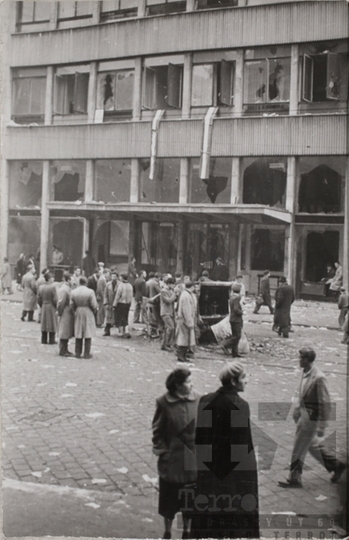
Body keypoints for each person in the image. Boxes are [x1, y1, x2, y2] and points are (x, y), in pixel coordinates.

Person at [191, 362, 259, 539]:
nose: (247, 381)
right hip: (231, 476)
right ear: (234, 382)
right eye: (244, 377)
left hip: (209, 471)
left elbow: (200, 438)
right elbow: (242, 447)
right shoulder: (240, 405)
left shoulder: (206, 399)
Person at [278, 347, 346, 488]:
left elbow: (325, 403)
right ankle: (336, 465)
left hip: (311, 419)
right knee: (312, 445)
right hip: (303, 416)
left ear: (307, 360)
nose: (298, 360)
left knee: (299, 447)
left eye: (300, 358)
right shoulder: (305, 372)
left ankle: (295, 478)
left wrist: (322, 426)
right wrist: (297, 411)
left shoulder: (319, 377)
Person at [152, 368, 200, 540]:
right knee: (169, 501)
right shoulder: (163, 402)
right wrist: (163, 452)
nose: (192, 384)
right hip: (172, 462)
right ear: (178, 385)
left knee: (189, 500)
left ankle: (186, 531)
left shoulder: (199, 400)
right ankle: (167, 531)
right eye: (188, 382)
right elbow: (157, 431)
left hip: (193, 461)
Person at [70, 276, 98, 359]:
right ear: (86, 283)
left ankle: (77, 353)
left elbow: (71, 304)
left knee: (78, 332)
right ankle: (86, 353)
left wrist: (75, 310)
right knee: (87, 332)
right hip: (87, 311)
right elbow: (94, 304)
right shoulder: (90, 292)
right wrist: (94, 310)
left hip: (78, 311)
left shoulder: (74, 291)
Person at [175, 281, 197, 362]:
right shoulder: (186, 296)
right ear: (192, 287)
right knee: (183, 338)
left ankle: (183, 356)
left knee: (186, 338)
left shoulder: (186, 294)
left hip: (184, 320)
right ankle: (181, 356)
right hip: (184, 320)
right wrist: (189, 322)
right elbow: (186, 310)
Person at [37, 272, 58, 345]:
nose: (53, 279)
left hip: (44, 305)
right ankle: (52, 340)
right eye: (52, 277)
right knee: (52, 323)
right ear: (49, 279)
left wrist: (42, 305)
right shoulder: (52, 287)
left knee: (44, 323)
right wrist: (56, 306)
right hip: (51, 306)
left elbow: (38, 298)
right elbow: (55, 299)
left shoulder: (41, 287)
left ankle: (44, 339)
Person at [57, 272, 74, 356]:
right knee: (64, 330)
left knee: (66, 331)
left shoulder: (68, 288)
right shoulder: (64, 289)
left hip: (68, 311)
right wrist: (60, 312)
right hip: (65, 311)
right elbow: (61, 302)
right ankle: (62, 350)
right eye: (72, 279)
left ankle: (65, 348)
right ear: (68, 279)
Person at [113, 272, 133, 338]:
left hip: (121, 303)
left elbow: (117, 296)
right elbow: (131, 296)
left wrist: (114, 305)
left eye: (120, 277)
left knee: (120, 317)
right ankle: (127, 331)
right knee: (125, 317)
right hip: (128, 304)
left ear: (122, 278)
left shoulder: (120, 286)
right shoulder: (130, 285)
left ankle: (121, 332)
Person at [160, 276, 177, 352]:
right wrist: (175, 294)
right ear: (169, 284)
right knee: (171, 328)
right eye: (173, 284)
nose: (174, 286)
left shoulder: (171, 290)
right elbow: (168, 301)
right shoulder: (163, 291)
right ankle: (167, 344)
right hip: (165, 312)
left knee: (168, 328)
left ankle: (164, 345)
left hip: (171, 312)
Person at [229, 283, 243, 358]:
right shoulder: (236, 298)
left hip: (232, 319)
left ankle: (234, 352)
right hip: (236, 319)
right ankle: (226, 344)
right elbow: (236, 309)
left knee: (235, 335)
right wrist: (241, 312)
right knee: (237, 336)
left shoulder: (232, 297)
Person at [103, 269, 118, 337]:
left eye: (114, 276)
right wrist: (105, 303)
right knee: (108, 318)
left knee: (117, 318)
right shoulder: (108, 284)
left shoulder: (120, 284)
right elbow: (105, 294)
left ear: (117, 277)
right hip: (109, 303)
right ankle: (107, 331)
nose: (113, 278)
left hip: (117, 303)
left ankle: (120, 331)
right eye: (112, 276)